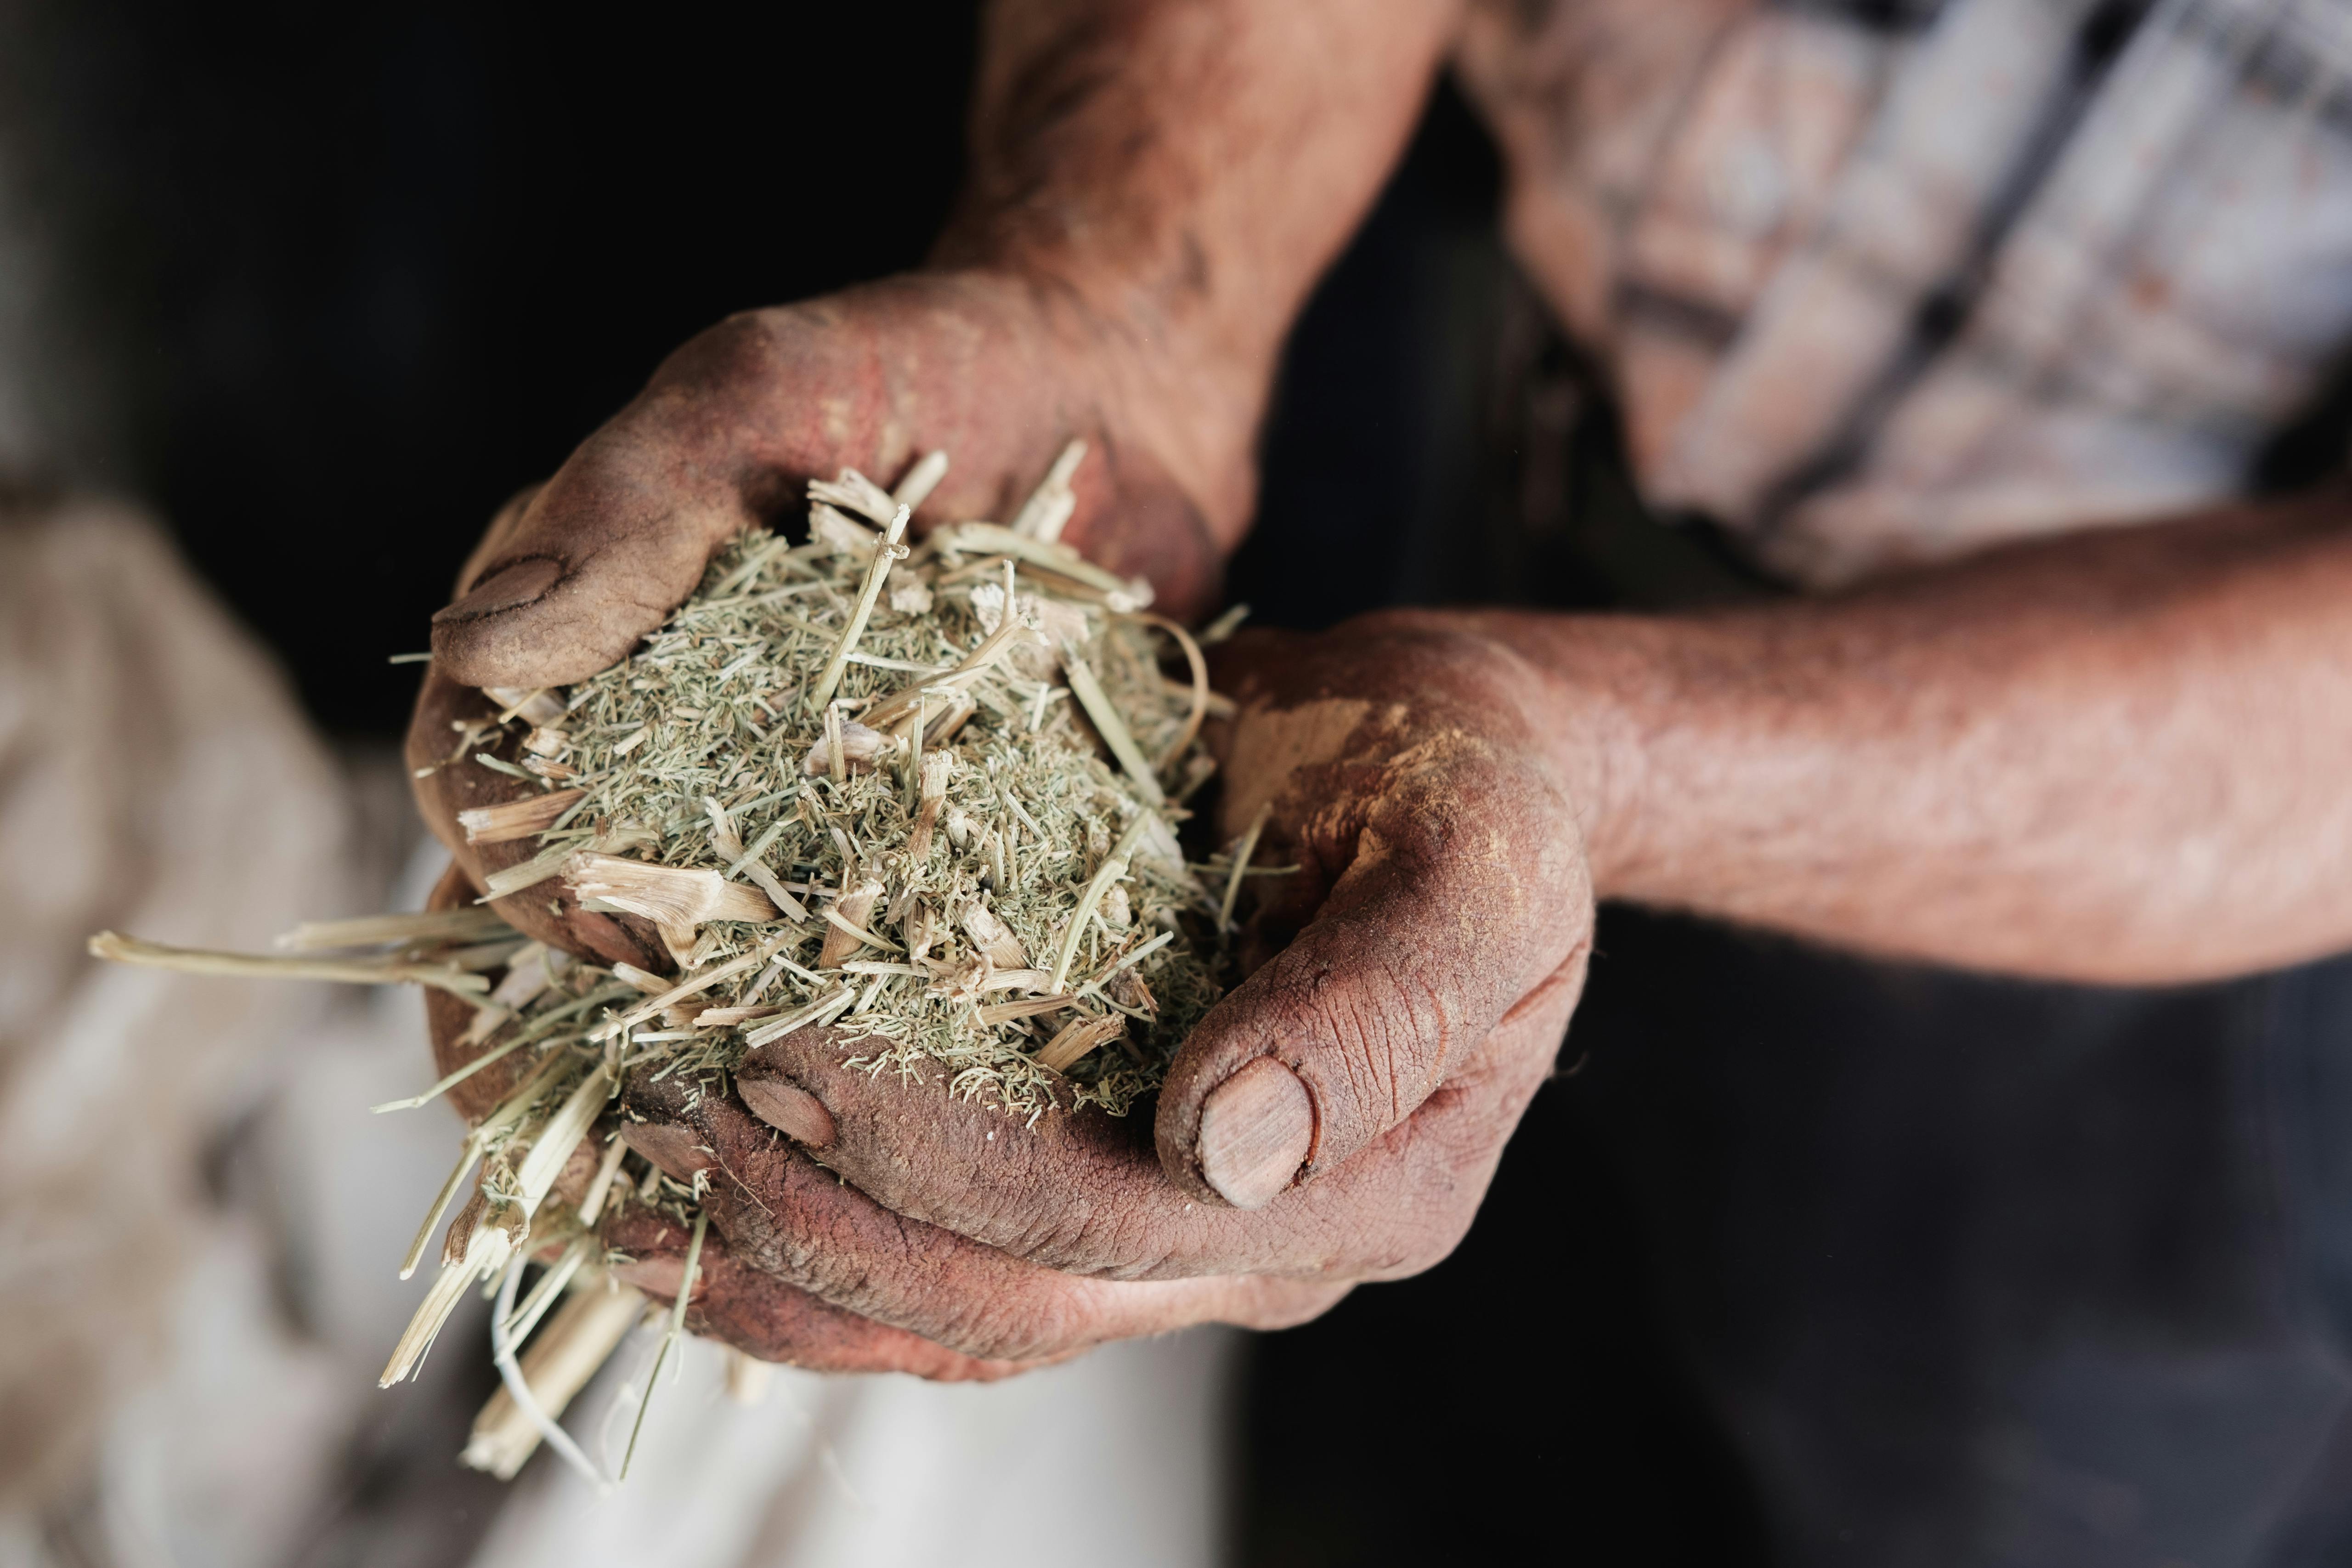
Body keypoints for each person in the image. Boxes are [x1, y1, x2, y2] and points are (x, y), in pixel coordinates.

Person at [411, 0, 2352, 1559]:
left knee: (1983, 1465)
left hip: (2178, 868)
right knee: (1444, 1311)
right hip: (1575, 428)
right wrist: (1127, 299)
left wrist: (1602, 760)